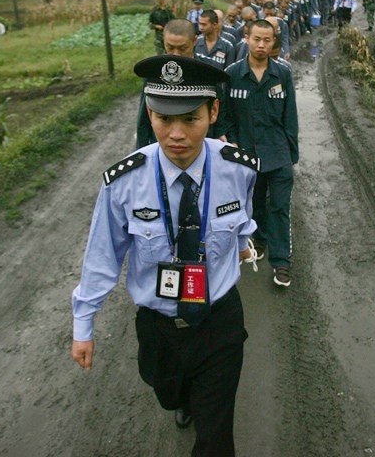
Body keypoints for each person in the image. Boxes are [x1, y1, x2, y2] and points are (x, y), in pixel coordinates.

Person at [71, 55, 258, 457]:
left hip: (219, 318)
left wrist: (243, 244)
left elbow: (244, 217)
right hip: (159, 325)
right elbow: (102, 256)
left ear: (214, 111)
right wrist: (83, 323)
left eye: (190, 119)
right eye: (163, 119)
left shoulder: (239, 169)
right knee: (170, 394)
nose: (176, 134)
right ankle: (182, 399)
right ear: (149, 113)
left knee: (216, 434)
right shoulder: (124, 182)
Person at [220, 19, 298, 287]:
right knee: (256, 207)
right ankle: (260, 240)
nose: (262, 45)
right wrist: (229, 141)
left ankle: (281, 262)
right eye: (257, 39)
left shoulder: (282, 73)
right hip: (247, 156)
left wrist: (291, 152)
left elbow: (291, 115)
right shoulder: (232, 73)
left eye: (267, 40)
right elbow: (225, 117)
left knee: (279, 207)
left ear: (274, 40)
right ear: (246, 38)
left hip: (278, 153)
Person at [136, 19, 197, 148]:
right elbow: (144, 117)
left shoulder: (205, 71)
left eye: (182, 48)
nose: (175, 54)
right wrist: (140, 152)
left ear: (194, 41)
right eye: (170, 47)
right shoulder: (154, 72)